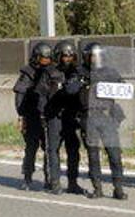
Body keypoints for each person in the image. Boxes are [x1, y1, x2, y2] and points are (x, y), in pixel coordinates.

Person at [77, 43, 128, 200]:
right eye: (92, 55)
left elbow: (123, 88)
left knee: (114, 153)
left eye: (97, 56)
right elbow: (70, 89)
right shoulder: (80, 72)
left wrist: (111, 84)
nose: (95, 59)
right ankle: (97, 187)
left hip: (107, 116)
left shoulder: (110, 72)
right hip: (89, 117)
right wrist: (82, 82)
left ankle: (118, 188)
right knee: (93, 155)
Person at [13, 43, 54, 191]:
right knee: (31, 147)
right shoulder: (28, 73)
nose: (46, 62)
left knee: (49, 148)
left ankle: (49, 178)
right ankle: (27, 176)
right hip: (31, 116)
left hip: (48, 115)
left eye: (48, 59)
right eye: (43, 59)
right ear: (36, 58)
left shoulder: (52, 72)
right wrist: (22, 114)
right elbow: (19, 94)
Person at [49, 41, 87, 195]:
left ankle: (73, 183)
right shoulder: (50, 72)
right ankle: (55, 182)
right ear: (59, 56)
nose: (68, 58)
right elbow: (46, 95)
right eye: (65, 55)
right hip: (55, 115)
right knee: (54, 149)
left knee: (73, 149)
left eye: (71, 55)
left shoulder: (78, 72)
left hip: (71, 114)